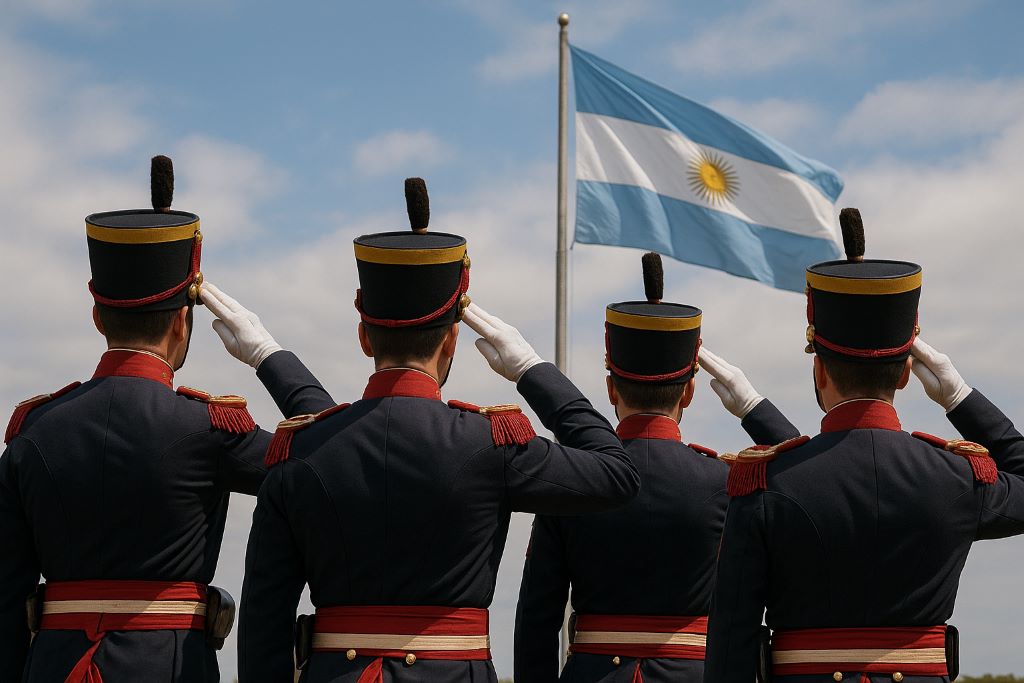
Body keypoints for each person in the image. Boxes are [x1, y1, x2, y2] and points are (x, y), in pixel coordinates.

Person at [225, 177, 640, 683]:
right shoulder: (490, 443)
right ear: (452, 342)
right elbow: (618, 474)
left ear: (363, 336)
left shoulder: (302, 453)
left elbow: (264, 626)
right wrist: (531, 369)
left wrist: (271, 358)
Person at [0, 157, 333, 682]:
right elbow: (335, 455)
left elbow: (5, 603)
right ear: (184, 320)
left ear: (96, 315)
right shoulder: (211, 429)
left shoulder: (32, 430)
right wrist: (267, 355)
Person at [704, 208, 1024, 683]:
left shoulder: (764, 485)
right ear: (905, 373)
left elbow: (731, 642)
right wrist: (960, 398)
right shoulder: (959, 479)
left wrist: (757, 410)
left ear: (819, 371)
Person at [513, 253, 798, 683]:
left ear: (610, 388)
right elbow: (808, 477)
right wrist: (753, 407)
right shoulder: (725, 481)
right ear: (689, 393)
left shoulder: (576, 479)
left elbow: (537, 617)